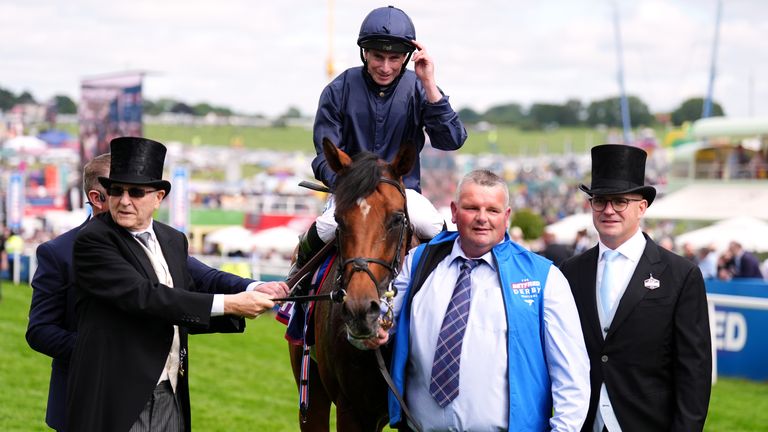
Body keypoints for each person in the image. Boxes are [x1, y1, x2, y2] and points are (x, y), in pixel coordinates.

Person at [25, 153, 288, 431]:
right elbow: (146, 298)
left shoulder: (168, 239)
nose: (125, 201)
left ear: (158, 197)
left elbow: (200, 278)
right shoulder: (76, 247)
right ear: (99, 196)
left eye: (136, 191)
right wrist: (103, 354)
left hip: (167, 390)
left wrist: (254, 287)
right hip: (102, 393)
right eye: (117, 190)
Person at [370, 170, 590, 431]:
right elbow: (378, 325)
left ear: (506, 217)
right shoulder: (418, 262)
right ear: (453, 211)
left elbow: (571, 375)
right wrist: (369, 330)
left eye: (493, 210)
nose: (482, 218)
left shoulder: (545, 278)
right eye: (471, 208)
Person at [292, 5, 467, 289]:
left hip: (403, 193)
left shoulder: (419, 87)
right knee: (323, 228)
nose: (385, 67)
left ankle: (453, 291)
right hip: (351, 193)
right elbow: (324, 158)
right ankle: (295, 292)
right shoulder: (338, 89)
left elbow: (452, 139)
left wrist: (430, 83)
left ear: (407, 58)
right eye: (378, 57)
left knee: (437, 229)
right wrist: (352, 185)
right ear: (365, 53)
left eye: (394, 58)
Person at [560, 144, 711, 432]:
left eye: (619, 202)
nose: (608, 210)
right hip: (582, 422)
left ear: (642, 207)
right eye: (600, 201)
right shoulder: (571, 271)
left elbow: (694, 371)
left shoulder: (681, 275)